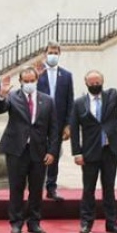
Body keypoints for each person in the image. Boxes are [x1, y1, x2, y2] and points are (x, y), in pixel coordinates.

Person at [69, 66, 117, 233]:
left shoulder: (112, 96)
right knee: (88, 189)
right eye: (92, 82)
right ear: (86, 83)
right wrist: (77, 153)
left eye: (98, 82)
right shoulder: (79, 103)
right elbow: (73, 129)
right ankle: (86, 223)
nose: (95, 84)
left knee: (109, 188)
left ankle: (112, 223)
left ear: (103, 82)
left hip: (110, 150)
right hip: (89, 152)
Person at [0, 66, 59, 233]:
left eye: (32, 81)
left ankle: (34, 222)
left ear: (37, 81)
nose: (29, 84)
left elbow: (53, 129)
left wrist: (52, 151)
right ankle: (16, 223)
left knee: (37, 189)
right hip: (16, 150)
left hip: (39, 150)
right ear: (21, 82)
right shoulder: (12, 97)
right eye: (26, 81)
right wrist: (2, 95)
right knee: (16, 187)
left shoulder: (48, 100)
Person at [37, 41, 74, 201]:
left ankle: (51, 188)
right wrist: (36, 77)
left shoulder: (66, 75)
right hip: (39, 121)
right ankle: (36, 186)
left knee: (54, 155)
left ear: (59, 54)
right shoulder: (38, 73)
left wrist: (68, 125)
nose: (53, 55)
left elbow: (69, 101)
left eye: (55, 52)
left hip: (58, 122)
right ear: (45, 54)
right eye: (50, 52)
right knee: (37, 155)